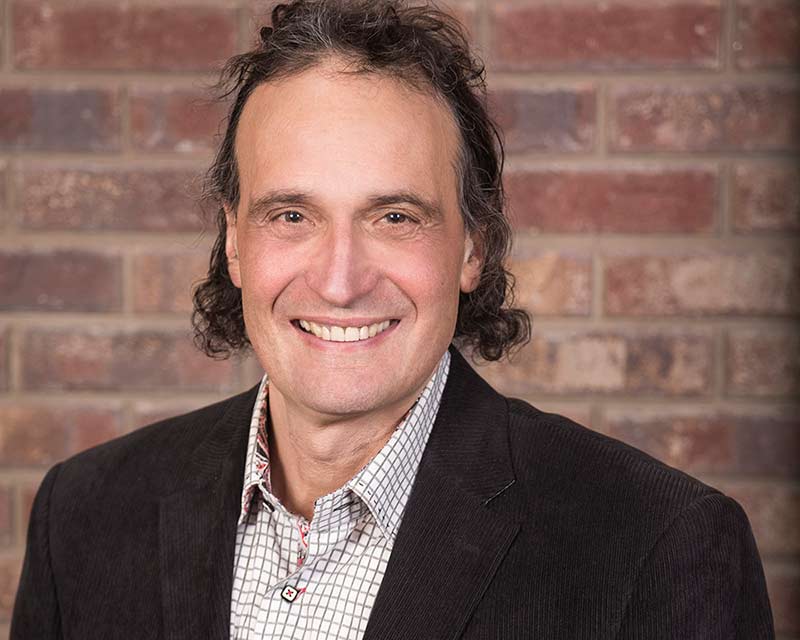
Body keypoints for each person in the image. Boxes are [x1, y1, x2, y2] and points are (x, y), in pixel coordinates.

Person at [12, 1, 774, 638]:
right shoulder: (82, 515)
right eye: (290, 214)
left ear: (473, 245)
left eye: (396, 217)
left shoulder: (661, 546)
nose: (340, 281)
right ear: (235, 240)